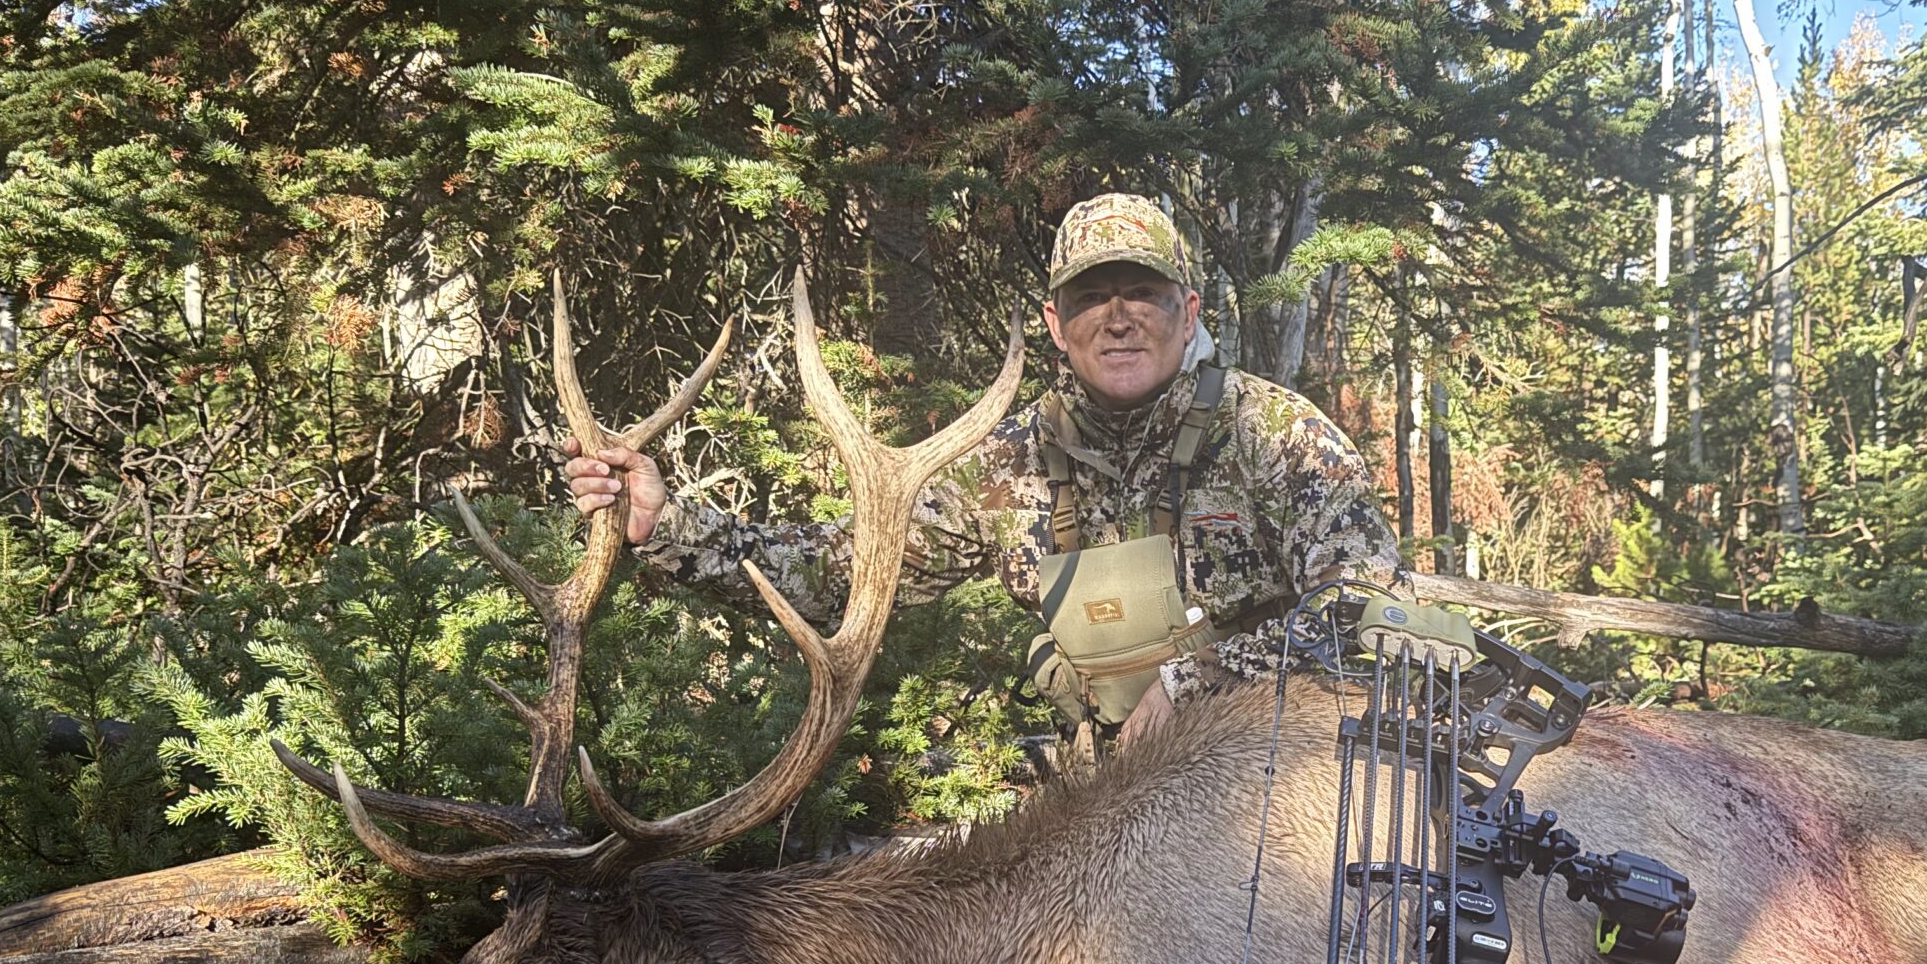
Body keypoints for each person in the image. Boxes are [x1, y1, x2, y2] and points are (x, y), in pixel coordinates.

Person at [564, 193, 1400, 751]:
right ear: (1055, 323)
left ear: (1188, 313)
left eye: (1142, 293)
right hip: (1111, 806)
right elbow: (840, 573)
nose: (1117, 319)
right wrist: (667, 524)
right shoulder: (1006, 466)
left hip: (1276, 786)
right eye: (1090, 298)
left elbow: (1366, 612)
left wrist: (1191, 684)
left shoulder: (1276, 435)